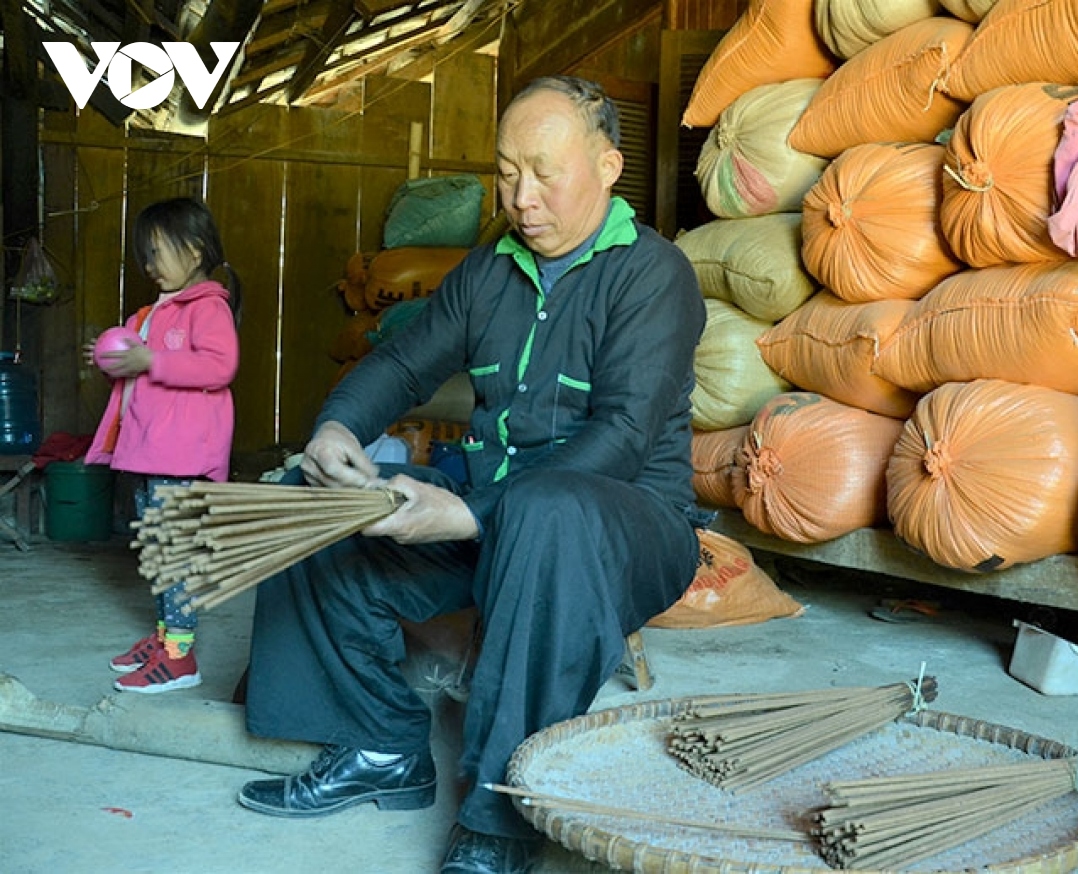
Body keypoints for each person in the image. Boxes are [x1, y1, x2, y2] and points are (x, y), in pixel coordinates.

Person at [237, 76, 707, 874]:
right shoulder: (491, 270)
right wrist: (337, 429)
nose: (522, 197)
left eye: (544, 172)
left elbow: (624, 436)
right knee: (304, 507)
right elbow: (402, 363)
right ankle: (381, 746)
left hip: (624, 523)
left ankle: (498, 819)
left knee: (546, 513)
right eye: (506, 171)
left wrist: (467, 515)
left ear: (608, 165)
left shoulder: (652, 276)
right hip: (495, 512)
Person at [85, 196, 241, 694]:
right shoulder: (156, 312)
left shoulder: (208, 307)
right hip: (155, 455)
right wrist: (112, 355)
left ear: (194, 250)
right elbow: (133, 357)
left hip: (185, 458)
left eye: (156, 253)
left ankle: (180, 658)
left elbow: (220, 367)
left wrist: (150, 361)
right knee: (157, 553)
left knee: (174, 556)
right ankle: (164, 638)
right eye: (145, 256)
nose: (149, 266)